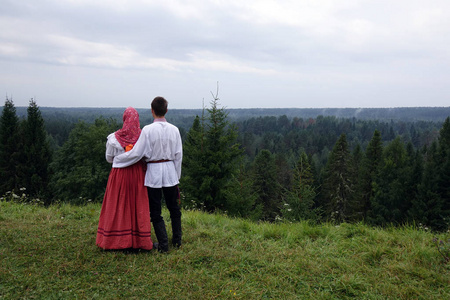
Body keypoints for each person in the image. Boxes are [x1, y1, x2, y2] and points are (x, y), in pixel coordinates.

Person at [113, 96, 183, 253]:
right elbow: (179, 155)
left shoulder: (147, 130)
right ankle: (177, 241)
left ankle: (164, 245)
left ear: (152, 111)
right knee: (174, 208)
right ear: (166, 110)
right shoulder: (175, 129)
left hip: (154, 172)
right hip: (171, 170)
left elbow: (137, 153)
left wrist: (118, 160)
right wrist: (176, 176)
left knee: (156, 211)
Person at [96, 107, 153, 251]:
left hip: (119, 175)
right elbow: (148, 155)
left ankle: (116, 239)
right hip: (137, 175)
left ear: (124, 119)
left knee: (119, 203)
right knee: (136, 204)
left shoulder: (114, 138)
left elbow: (109, 158)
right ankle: (138, 240)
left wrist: (120, 158)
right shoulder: (143, 136)